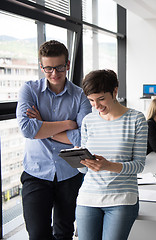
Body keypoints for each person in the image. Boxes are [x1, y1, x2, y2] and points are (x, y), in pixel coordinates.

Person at [16, 40, 92, 239]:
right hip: (35, 173)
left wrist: (44, 126)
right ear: (41, 67)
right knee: (37, 233)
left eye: (59, 67)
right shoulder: (29, 90)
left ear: (67, 65)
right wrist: (68, 124)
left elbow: (84, 137)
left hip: (69, 173)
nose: (54, 74)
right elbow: (27, 129)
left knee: (64, 232)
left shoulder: (80, 96)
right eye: (48, 68)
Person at [76, 69, 148, 240]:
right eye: (91, 101)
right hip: (89, 197)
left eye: (101, 99)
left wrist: (108, 166)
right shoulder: (88, 121)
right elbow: (84, 172)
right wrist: (80, 160)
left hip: (121, 199)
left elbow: (139, 165)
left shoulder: (136, 119)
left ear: (115, 91)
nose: (97, 106)